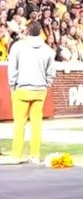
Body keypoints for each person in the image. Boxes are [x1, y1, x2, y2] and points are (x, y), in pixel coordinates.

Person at [4, 21, 55, 164]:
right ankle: (35, 155)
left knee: (19, 124)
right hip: (39, 90)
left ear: (27, 31)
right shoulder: (47, 49)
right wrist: (47, 84)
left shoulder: (18, 47)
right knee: (36, 124)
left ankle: (16, 155)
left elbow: (12, 68)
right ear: (40, 32)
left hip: (22, 89)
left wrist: (12, 85)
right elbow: (51, 72)